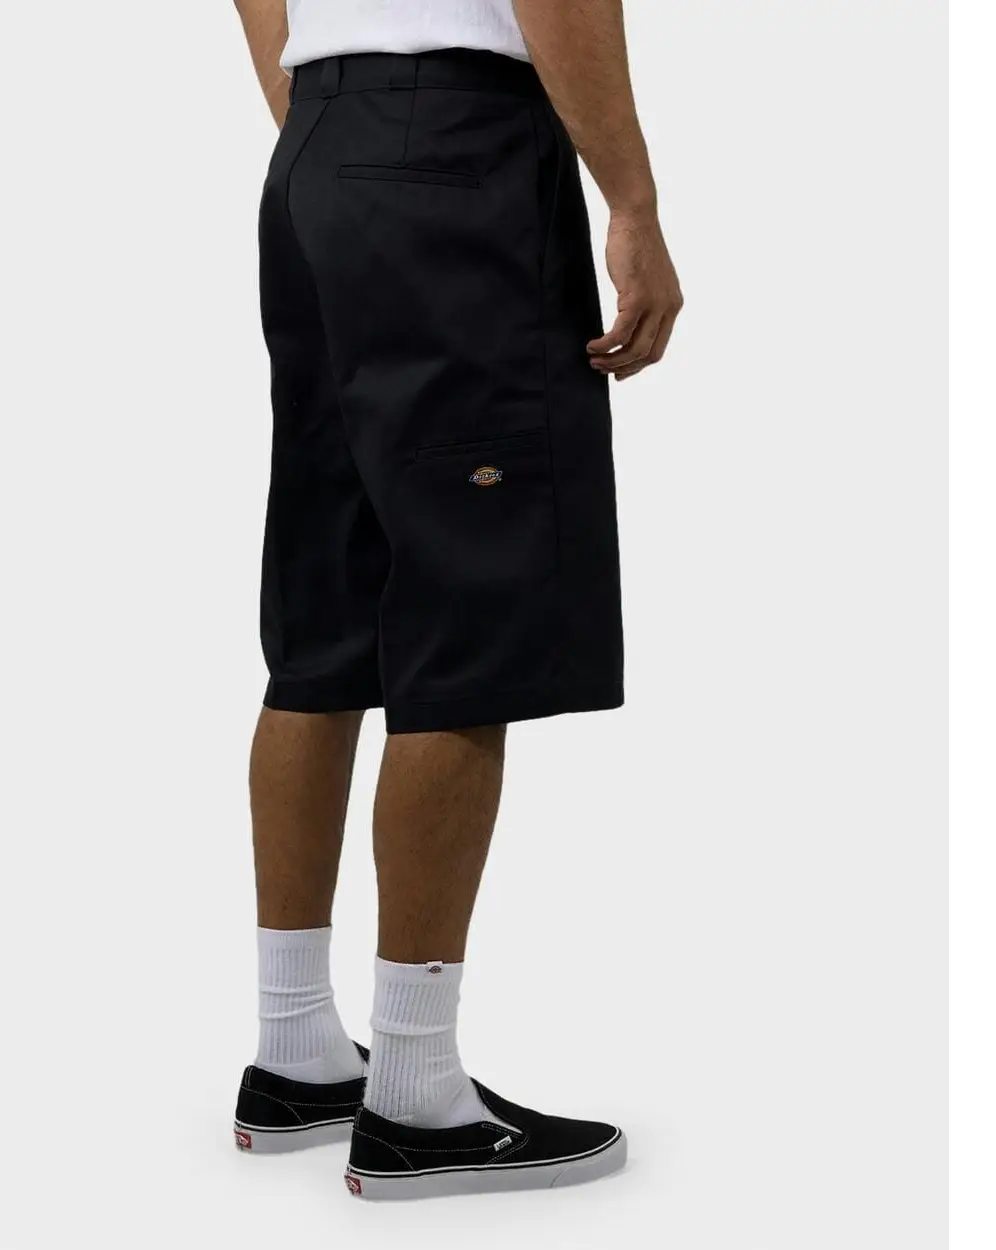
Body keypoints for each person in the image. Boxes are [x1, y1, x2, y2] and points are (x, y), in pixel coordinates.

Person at [228, 0, 682, 1200]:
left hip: (318, 148)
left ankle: (295, 1051)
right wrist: (631, 205)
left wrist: (333, 131)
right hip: (455, 152)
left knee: (324, 618)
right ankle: (416, 1097)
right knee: (466, 614)